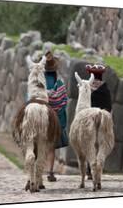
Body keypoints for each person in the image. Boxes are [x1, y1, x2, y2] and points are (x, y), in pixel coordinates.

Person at [44, 51, 69, 182]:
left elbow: (29, 98)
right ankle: (50, 172)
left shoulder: (38, 82)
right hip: (53, 119)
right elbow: (63, 103)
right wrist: (61, 124)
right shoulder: (59, 84)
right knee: (51, 147)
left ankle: (34, 172)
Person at [85, 64, 112, 180]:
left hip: (89, 119)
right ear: (101, 76)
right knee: (100, 145)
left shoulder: (87, 88)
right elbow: (108, 107)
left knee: (89, 144)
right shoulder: (105, 90)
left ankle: (89, 170)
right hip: (102, 120)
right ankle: (98, 169)